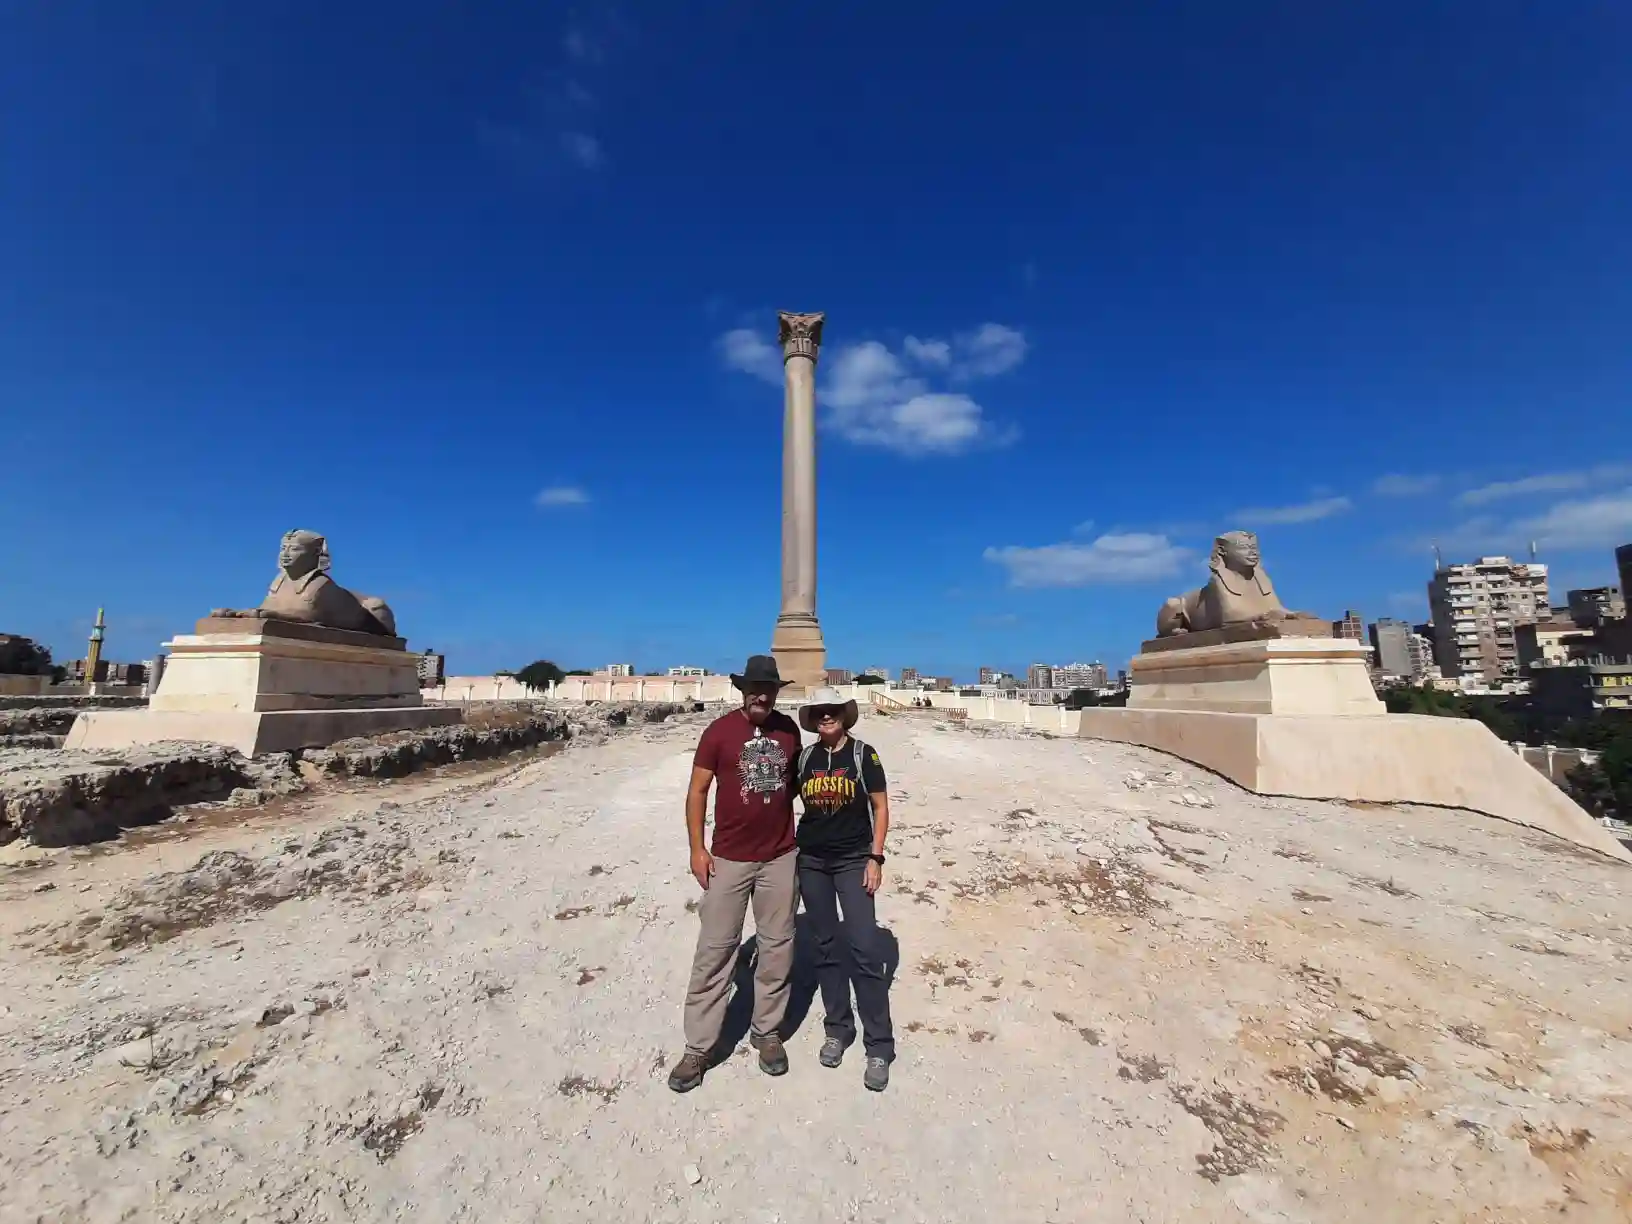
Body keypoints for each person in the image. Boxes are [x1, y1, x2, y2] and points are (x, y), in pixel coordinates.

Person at [668, 655, 802, 1093]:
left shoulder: (790, 732)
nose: (761, 696)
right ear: (743, 691)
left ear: (777, 692)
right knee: (715, 950)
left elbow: (796, 787)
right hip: (728, 859)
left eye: (769, 689)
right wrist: (697, 849)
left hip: (780, 857)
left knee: (777, 948)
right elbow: (698, 791)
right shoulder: (718, 732)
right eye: (754, 689)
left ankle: (767, 1032)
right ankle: (698, 1048)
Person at [793, 687, 895, 1091]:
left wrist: (876, 857)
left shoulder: (864, 755)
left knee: (864, 947)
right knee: (824, 946)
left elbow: (880, 807)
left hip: (854, 860)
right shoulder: (805, 758)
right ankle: (838, 1028)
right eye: (819, 712)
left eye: (832, 710)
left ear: (843, 714)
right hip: (812, 861)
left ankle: (879, 1046)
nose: (826, 717)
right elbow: (782, 802)